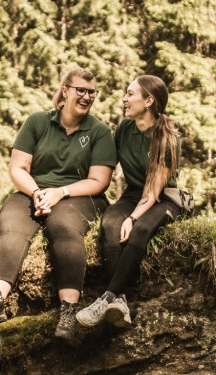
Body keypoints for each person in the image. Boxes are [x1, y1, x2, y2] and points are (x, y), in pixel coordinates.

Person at [0, 67, 115, 340]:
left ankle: (68, 311)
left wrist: (60, 192)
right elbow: (18, 167)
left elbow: (99, 180)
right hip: (34, 190)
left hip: (80, 195)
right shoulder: (38, 122)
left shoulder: (99, 131)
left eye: (92, 92)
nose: (87, 97)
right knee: (10, 226)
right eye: (81, 91)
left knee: (64, 227)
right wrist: (37, 193)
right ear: (66, 91)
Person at [77, 74, 182, 330]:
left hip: (164, 197)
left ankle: (107, 298)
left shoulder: (168, 137)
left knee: (140, 230)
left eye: (130, 94)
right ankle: (120, 303)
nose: (124, 99)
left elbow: (154, 191)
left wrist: (133, 218)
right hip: (134, 193)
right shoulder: (124, 128)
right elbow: (105, 164)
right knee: (111, 223)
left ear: (148, 100)